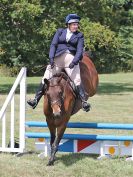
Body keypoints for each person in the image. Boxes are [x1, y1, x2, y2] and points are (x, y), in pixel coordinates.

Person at [27, 14, 90, 112]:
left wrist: (74, 62)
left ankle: (84, 102)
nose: (76, 26)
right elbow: (53, 45)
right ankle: (35, 99)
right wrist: (51, 58)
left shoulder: (79, 35)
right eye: (73, 24)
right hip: (57, 58)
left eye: (77, 24)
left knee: (76, 80)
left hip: (71, 58)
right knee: (46, 77)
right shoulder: (60, 32)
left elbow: (79, 50)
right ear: (68, 25)